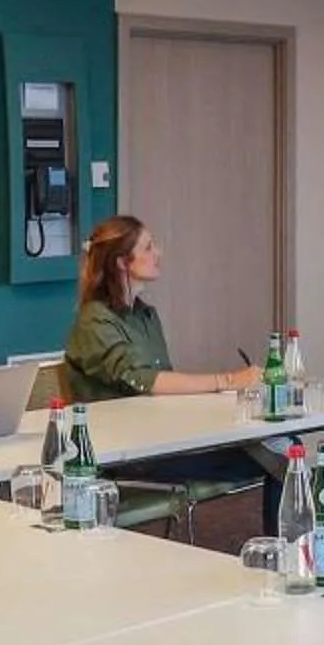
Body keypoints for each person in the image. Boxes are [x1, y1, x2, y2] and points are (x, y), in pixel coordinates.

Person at [59, 215, 275, 533]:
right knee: (278, 460)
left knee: (280, 449)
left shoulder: (145, 316)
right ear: (122, 262)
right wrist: (228, 381)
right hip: (128, 454)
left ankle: (294, 554)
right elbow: (146, 382)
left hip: (161, 439)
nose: (158, 252)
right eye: (148, 247)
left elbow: (164, 388)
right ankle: (291, 560)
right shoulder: (95, 322)